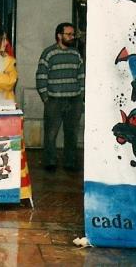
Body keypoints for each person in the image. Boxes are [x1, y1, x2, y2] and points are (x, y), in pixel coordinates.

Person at [36, 22, 85, 173]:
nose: (72, 37)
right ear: (59, 35)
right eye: (68, 34)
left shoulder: (76, 53)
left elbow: (81, 75)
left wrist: (81, 96)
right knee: (51, 134)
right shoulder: (49, 53)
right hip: (54, 100)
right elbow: (41, 76)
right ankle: (50, 162)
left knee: (72, 134)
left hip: (74, 100)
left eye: (73, 34)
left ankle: (70, 162)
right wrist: (46, 98)